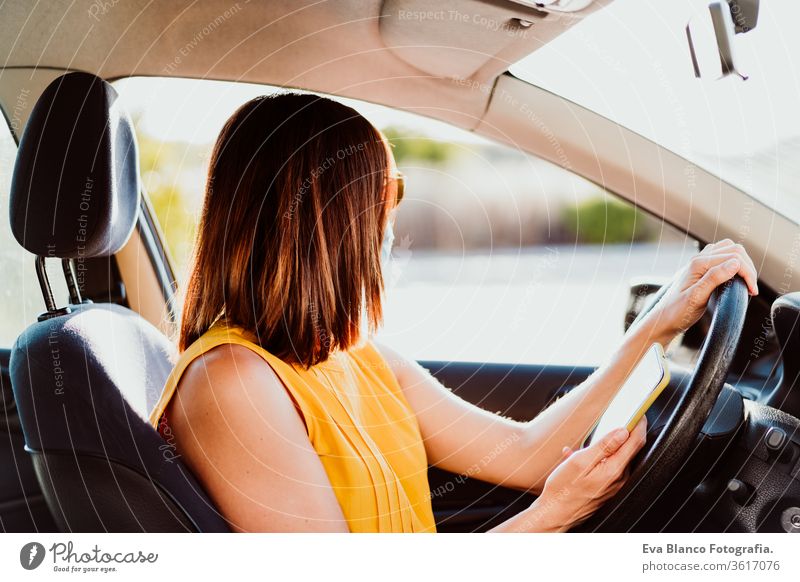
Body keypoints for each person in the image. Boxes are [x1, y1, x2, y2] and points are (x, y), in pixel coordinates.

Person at [148, 93, 759, 533]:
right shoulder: (232, 383)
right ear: (332, 225)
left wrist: (655, 325)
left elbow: (526, 451)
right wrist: (552, 516)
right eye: (384, 202)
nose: (392, 227)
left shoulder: (354, 355)